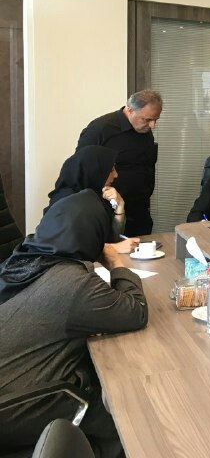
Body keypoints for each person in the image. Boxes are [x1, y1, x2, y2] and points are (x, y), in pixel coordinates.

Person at [0, 189, 148, 456]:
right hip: (15, 406)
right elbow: (136, 310)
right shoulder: (73, 283)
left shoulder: (21, 261)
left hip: (11, 387)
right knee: (125, 412)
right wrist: (115, 262)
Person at [76, 89, 162, 236]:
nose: (153, 125)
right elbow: (82, 169)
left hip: (140, 212)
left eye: (156, 119)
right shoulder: (100, 129)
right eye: (147, 119)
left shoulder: (144, 131)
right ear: (130, 110)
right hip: (109, 213)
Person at [46, 145, 139, 254]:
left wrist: (120, 206)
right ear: (94, 170)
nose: (116, 175)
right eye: (111, 170)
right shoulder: (66, 201)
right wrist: (113, 248)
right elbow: (65, 248)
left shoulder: (97, 196)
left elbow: (113, 238)